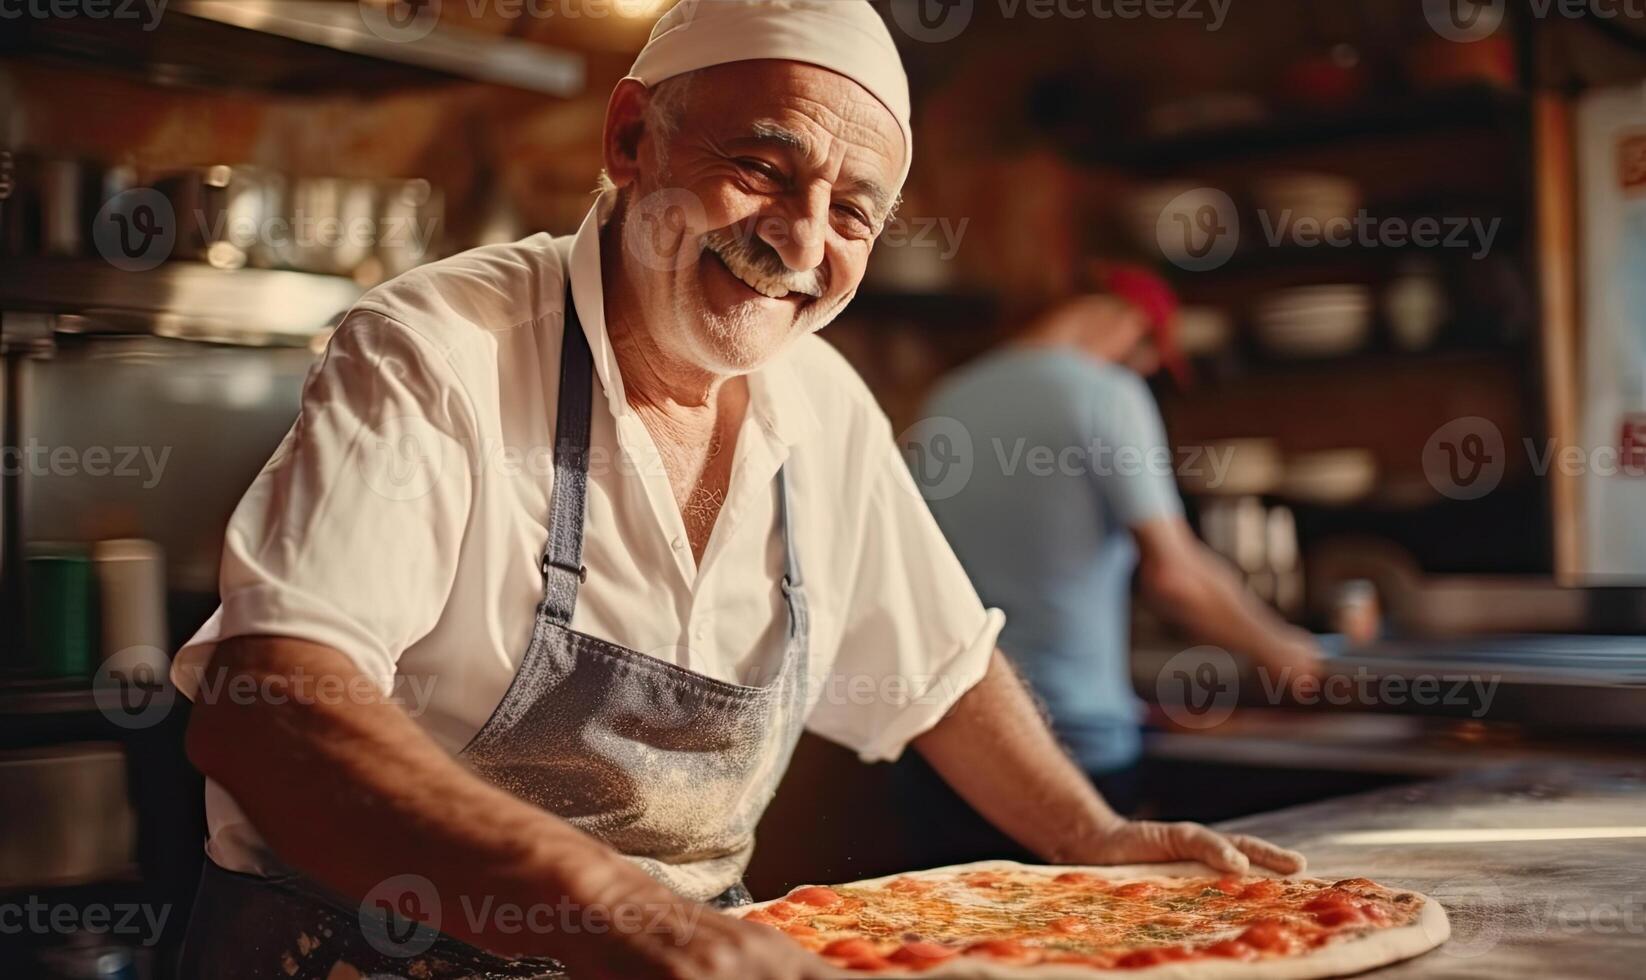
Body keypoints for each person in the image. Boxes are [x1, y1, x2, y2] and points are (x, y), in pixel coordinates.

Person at [172, 5, 1306, 977]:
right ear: (629, 137)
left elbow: (943, 668)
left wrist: (1090, 832)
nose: (801, 240)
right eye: (761, 168)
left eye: (853, 210)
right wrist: (625, 912)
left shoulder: (822, 400)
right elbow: (274, 708)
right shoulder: (439, 345)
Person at [922, 268, 1324, 813]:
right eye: (1151, 354)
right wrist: (1276, 647)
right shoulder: (1107, 394)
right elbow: (1176, 577)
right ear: (1131, 322)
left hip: (950, 743)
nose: (1149, 369)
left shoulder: (947, 398)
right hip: (1070, 743)